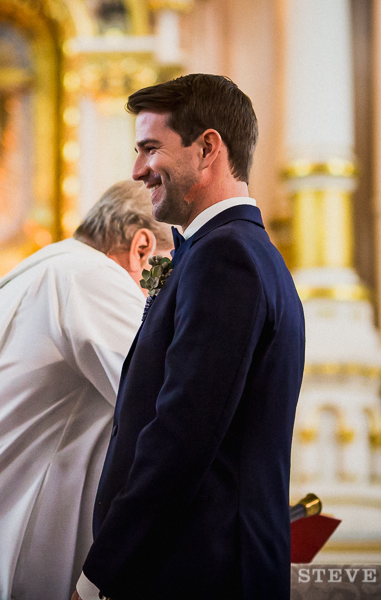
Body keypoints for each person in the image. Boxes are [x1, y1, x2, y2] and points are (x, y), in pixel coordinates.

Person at [74, 74, 306, 600]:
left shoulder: (225, 258)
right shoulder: (239, 253)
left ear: (207, 149)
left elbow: (180, 436)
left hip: (202, 571)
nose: (137, 171)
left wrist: (99, 576)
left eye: (151, 148)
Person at [0, 181, 173, 600]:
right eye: (174, 271)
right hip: (9, 563)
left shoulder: (38, 274)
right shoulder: (90, 276)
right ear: (142, 249)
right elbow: (163, 412)